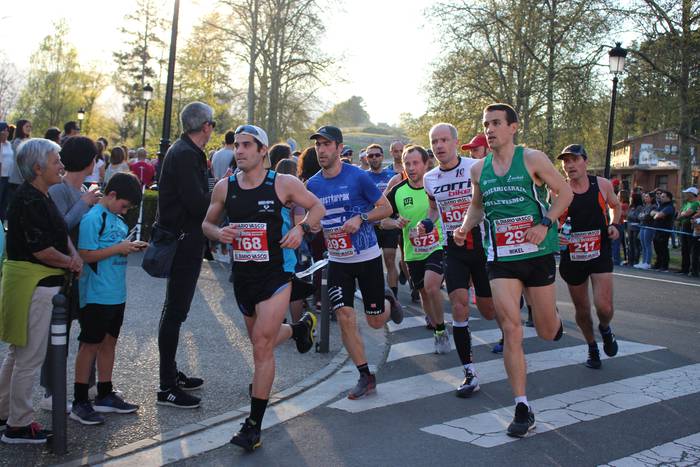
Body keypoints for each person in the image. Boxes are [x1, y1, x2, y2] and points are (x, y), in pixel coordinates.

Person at [202, 124, 323, 451]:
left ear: (262, 151)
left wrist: (301, 230)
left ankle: (253, 425)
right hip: (243, 278)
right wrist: (218, 234)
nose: (238, 150)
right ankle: (299, 329)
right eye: (237, 145)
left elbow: (317, 208)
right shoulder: (225, 188)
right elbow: (207, 222)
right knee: (260, 339)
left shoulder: (283, 183)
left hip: (276, 275)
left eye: (246, 145)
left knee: (260, 346)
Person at [455, 103, 572, 438]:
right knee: (511, 328)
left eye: (495, 123)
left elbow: (563, 194)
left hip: (538, 252)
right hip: (501, 257)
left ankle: (553, 319)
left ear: (513, 127)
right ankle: (522, 405)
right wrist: (464, 227)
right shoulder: (479, 169)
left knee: (547, 331)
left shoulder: (533, 159)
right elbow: (477, 206)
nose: (489, 129)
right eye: (485, 124)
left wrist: (545, 223)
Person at [306, 125, 403, 400]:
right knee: (344, 315)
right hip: (337, 260)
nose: (321, 150)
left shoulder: (358, 177)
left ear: (339, 148)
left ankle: (387, 301)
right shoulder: (312, 185)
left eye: (327, 145)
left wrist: (360, 218)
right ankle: (365, 375)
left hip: (367, 257)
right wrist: (311, 227)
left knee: (374, 322)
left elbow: (385, 209)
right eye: (318, 145)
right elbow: (310, 217)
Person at [0, 138, 83, 444]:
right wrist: (71, 262)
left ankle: (5, 412)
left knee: (19, 353)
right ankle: (19, 424)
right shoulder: (31, 200)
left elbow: (58, 235)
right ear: (37, 168)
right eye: (56, 160)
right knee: (29, 357)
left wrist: (71, 255)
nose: (61, 165)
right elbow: (42, 249)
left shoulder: (37, 195)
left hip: (31, 284)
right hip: (35, 286)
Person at [421, 122, 496, 398]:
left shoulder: (475, 167)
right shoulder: (430, 178)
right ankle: (469, 373)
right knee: (459, 306)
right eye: (434, 142)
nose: (439, 146)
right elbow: (432, 211)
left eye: (443, 140)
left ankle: (511, 311)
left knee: (489, 312)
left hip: (482, 245)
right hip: (452, 246)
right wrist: (425, 225)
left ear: (455, 142)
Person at [70, 173, 145, 425]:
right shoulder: (93, 218)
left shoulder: (116, 218)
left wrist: (130, 246)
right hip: (96, 294)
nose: (125, 210)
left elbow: (113, 247)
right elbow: (85, 255)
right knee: (89, 345)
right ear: (112, 195)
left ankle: (105, 393)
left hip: (116, 293)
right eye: (124, 205)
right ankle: (80, 400)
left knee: (109, 342)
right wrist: (120, 248)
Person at [156, 102, 214, 408]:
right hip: (183, 242)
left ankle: (170, 374)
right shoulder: (185, 154)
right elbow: (198, 203)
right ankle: (166, 385)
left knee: (175, 311)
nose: (213, 129)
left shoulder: (184, 151)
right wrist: (222, 191)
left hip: (185, 241)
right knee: (175, 311)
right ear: (205, 126)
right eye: (212, 124)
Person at [41, 136, 102, 412]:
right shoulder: (59, 190)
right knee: (59, 334)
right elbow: (59, 227)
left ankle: (87, 385)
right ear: (89, 162)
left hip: (85, 274)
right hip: (63, 272)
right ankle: (51, 393)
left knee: (89, 331)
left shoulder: (84, 191)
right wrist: (85, 202)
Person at [557, 144, 621, 369]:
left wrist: (614, 224)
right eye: (565, 162)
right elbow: (553, 220)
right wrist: (557, 235)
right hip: (573, 257)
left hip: (599, 252)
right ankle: (592, 346)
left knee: (604, 307)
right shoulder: (559, 189)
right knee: (582, 310)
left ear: (585, 161)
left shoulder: (601, 184)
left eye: (574, 160)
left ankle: (605, 328)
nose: (569, 165)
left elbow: (615, 205)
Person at [385, 145, 449, 354]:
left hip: (437, 245)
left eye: (416, 163)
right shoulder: (398, 191)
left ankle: (441, 330)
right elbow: (380, 219)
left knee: (432, 287)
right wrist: (394, 222)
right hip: (412, 252)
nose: (411, 168)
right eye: (407, 164)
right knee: (423, 291)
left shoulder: (437, 184)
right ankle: (436, 324)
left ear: (426, 163)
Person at [365, 144, 401, 298]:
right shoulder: (363, 177)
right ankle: (376, 292)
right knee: (372, 263)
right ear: (367, 159)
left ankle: (393, 295)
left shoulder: (392, 175)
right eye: (370, 156)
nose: (374, 158)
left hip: (389, 223)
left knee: (390, 259)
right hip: (371, 225)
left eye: (377, 155)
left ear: (382, 156)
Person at [7, 119, 33, 207]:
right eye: (27, 126)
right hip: (17, 179)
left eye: (30, 126)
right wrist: (24, 177)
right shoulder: (18, 142)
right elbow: (19, 161)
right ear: (20, 127)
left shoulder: (28, 141)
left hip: (25, 178)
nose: (29, 128)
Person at [651, 190, 675, 271]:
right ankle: (658, 263)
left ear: (669, 198)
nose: (661, 198)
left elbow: (658, 215)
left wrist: (657, 214)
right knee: (657, 247)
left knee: (663, 248)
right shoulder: (661, 205)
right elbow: (652, 213)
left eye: (663, 197)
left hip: (664, 230)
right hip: (657, 229)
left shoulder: (669, 207)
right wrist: (656, 214)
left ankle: (664, 266)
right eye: (660, 197)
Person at [678, 187, 700, 276]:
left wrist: (683, 213)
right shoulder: (686, 203)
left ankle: (693, 269)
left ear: (691, 194)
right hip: (684, 226)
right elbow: (679, 214)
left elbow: (686, 214)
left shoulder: (696, 203)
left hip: (691, 228)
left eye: (687, 193)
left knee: (692, 250)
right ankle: (684, 269)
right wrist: (683, 214)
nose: (685, 195)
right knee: (684, 249)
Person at [635, 191, 656, 269]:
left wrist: (643, 216)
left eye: (647, 197)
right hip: (643, 226)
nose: (645, 198)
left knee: (647, 245)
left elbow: (647, 217)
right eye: (645, 196)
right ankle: (643, 261)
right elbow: (639, 216)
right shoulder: (645, 206)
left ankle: (647, 262)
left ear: (652, 198)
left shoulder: (654, 206)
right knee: (643, 245)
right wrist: (643, 216)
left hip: (649, 227)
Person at [625, 192, 644, 267]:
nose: (630, 199)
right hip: (630, 228)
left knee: (636, 245)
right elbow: (628, 216)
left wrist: (630, 216)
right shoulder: (631, 207)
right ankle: (630, 260)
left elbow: (637, 217)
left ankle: (636, 261)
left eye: (631, 198)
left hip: (636, 228)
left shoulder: (639, 207)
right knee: (630, 245)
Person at [0, 122, 13, 221]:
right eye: (3, 130)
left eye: (7, 130)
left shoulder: (9, 144)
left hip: (8, 177)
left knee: (5, 202)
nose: (6, 132)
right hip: (0, 177)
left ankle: (2, 223)